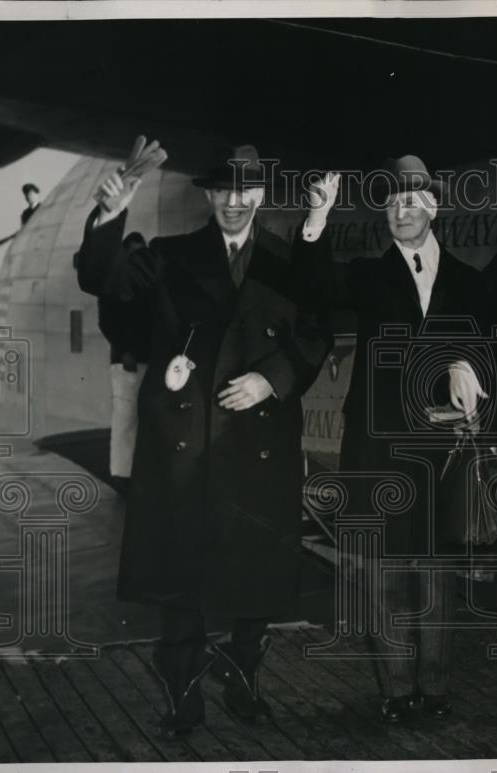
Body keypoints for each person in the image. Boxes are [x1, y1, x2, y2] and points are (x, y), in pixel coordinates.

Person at [75, 143, 332, 737]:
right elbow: (106, 288)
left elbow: (318, 327)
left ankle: (242, 681)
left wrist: (273, 379)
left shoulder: (290, 262)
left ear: (262, 195)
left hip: (258, 437)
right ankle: (183, 699)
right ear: (209, 196)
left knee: (256, 574)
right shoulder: (168, 257)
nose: (234, 202)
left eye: (245, 191)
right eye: (222, 191)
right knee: (180, 581)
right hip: (183, 442)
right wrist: (110, 218)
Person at [297, 155, 490, 725]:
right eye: (392, 202)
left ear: (433, 207)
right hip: (377, 452)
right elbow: (315, 283)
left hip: (442, 455)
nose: (400, 210)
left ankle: (435, 692)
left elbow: (486, 355)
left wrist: (462, 360)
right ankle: (398, 691)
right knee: (381, 578)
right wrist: (317, 218)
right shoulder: (366, 274)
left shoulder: (468, 282)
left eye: (412, 200)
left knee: (435, 578)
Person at [96, 231, 150, 495]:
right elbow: (107, 322)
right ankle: (121, 476)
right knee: (125, 418)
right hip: (126, 362)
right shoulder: (113, 283)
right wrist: (125, 351)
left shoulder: (146, 283)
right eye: (135, 253)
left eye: (143, 253)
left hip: (147, 360)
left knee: (139, 419)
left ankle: (136, 473)